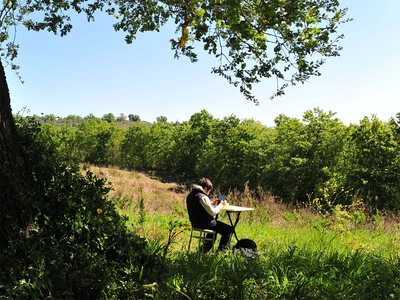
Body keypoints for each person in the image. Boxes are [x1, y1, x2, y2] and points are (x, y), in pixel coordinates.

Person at [186, 178, 233, 252]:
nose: (208, 193)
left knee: (214, 229)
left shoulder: (191, 195)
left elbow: (199, 205)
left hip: (195, 223)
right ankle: (221, 251)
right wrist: (220, 205)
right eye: (209, 191)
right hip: (205, 223)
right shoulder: (203, 197)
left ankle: (202, 251)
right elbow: (213, 212)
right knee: (229, 229)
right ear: (205, 188)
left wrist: (211, 203)